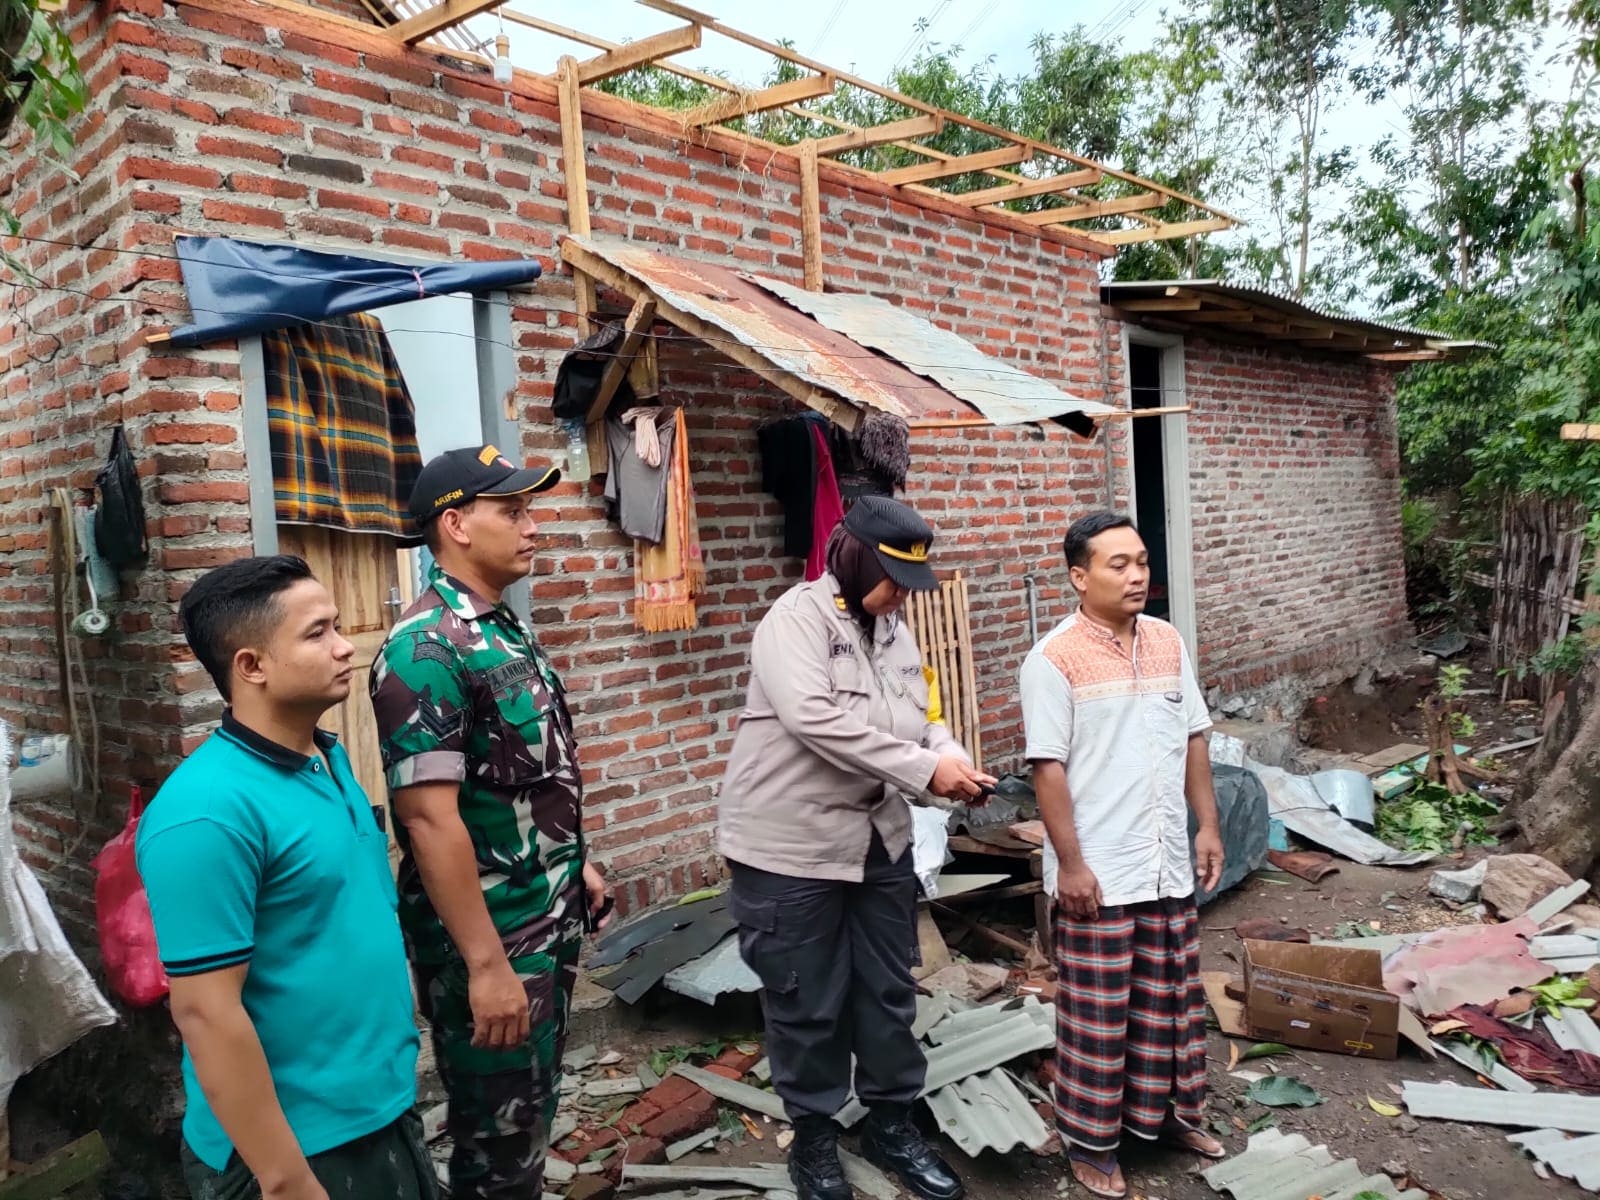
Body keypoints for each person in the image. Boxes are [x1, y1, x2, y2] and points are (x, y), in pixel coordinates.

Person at [719, 495, 996, 1200]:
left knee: (888, 990)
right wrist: (925, 771)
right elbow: (817, 721)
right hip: (790, 848)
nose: (902, 595)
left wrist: (951, 756)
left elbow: (922, 715)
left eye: (911, 581)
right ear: (854, 556)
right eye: (892, 577)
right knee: (806, 999)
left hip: (879, 840)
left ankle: (890, 1124)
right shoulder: (794, 621)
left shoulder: (895, 630)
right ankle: (813, 1138)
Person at [137, 555, 432, 1200]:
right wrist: (285, 1181)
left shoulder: (326, 760)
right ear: (252, 666)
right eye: (317, 633)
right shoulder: (206, 813)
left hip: (377, 1106)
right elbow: (205, 1012)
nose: (345, 646)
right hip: (294, 1148)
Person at [370, 444, 611, 1200]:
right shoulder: (426, 648)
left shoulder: (499, 628)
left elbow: (523, 781)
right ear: (457, 525)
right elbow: (429, 820)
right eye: (513, 512)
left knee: (528, 1122)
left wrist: (577, 865)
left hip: (544, 916)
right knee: (495, 1149)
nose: (532, 526)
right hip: (496, 941)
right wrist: (484, 967)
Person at [1019, 512, 1226, 1200]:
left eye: (1140, 561)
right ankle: (1091, 1144)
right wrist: (1071, 865)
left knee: (1169, 1002)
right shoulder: (1052, 660)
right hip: (1101, 871)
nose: (1137, 574)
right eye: (1118, 564)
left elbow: (1194, 736)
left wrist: (1207, 827)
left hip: (1166, 860)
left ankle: (1164, 1119)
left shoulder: (1168, 642)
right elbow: (1047, 770)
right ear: (1079, 577)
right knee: (1098, 1018)